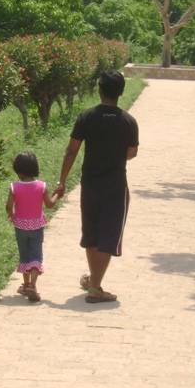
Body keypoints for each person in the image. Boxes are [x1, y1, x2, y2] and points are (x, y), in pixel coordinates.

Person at [53, 69, 139, 304]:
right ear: (121, 92)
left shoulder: (86, 117)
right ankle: (96, 287)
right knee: (108, 235)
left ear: (99, 90)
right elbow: (132, 153)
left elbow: (72, 150)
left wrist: (61, 182)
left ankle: (94, 281)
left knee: (91, 233)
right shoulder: (129, 122)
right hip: (116, 186)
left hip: (90, 185)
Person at [6, 152, 61, 302]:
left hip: (20, 227)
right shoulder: (42, 186)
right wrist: (57, 195)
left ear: (20, 171)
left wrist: (11, 214)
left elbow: (8, 206)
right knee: (36, 256)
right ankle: (32, 284)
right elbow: (49, 205)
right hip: (37, 226)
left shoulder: (14, 187)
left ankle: (25, 284)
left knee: (24, 256)